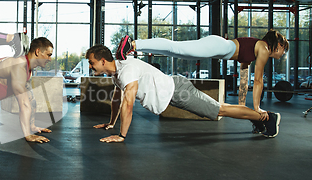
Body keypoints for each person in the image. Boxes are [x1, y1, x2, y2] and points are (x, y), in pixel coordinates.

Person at [86, 44, 280, 143]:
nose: (90, 65)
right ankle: (258, 119)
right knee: (219, 109)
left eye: (91, 62)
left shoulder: (126, 70)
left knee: (219, 110)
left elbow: (128, 104)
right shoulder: (117, 72)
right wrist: (111, 123)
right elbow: (117, 99)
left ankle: (267, 118)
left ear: (103, 61)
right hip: (174, 92)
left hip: (178, 91)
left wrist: (122, 135)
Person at [116, 30, 288, 120]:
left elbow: (245, 78)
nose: (282, 55)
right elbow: (258, 81)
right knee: (176, 48)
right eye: (283, 50)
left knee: (176, 50)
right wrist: (257, 109)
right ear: (278, 45)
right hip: (219, 46)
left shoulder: (256, 49)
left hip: (218, 47)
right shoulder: (264, 48)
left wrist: (243, 106)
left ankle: (132, 46)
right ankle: (132, 43)